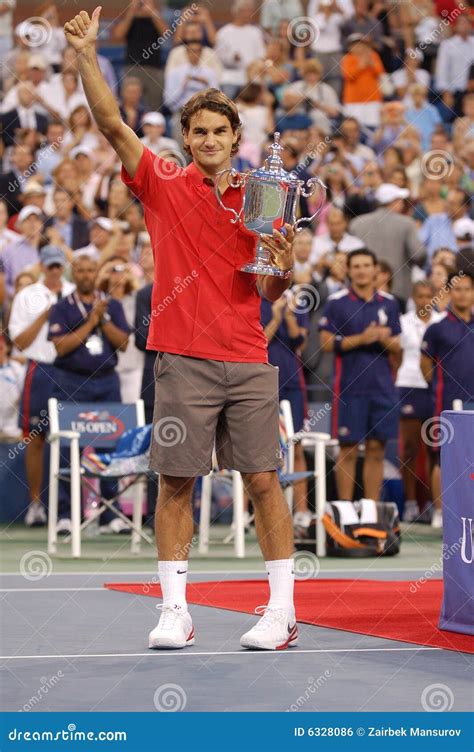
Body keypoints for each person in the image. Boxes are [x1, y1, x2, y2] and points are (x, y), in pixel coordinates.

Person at [65, 7, 299, 651]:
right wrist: (88, 55)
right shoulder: (162, 182)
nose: (208, 140)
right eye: (198, 131)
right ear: (187, 138)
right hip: (181, 357)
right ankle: (177, 610)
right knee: (175, 482)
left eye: (219, 131)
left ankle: (281, 611)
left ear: (234, 136)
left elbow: (271, 282)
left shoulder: (263, 193)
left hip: (248, 354)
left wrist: (283, 264)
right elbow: (112, 124)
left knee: (262, 481)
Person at [47, 254, 131, 534]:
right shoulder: (61, 307)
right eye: (80, 270)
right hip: (71, 382)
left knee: (111, 445)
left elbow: (124, 344)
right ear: (74, 274)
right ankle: (65, 514)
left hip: (107, 381)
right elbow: (61, 347)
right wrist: (90, 321)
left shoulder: (112, 305)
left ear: (97, 273)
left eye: (90, 269)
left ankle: (111, 513)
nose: (85, 274)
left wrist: (102, 318)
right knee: (67, 450)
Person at [319, 249, 401, 502]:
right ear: (349, 270)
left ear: (376, 269)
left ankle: (371, 509)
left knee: (377, 449)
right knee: (348, 449)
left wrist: (384, 339)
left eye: (367, 265)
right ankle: (345, 510)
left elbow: (398, 346)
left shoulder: (389, 302)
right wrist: (362, 339)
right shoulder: (337, 302)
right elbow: (325, 343)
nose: (362, 270)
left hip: (383, 388)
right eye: (357, 266)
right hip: (349, 389)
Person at [8, 245, 75, 526]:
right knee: (35, 438)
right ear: (42, 267)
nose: (55, 271)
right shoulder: (27, 296)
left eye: (59, 266)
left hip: (71, 367)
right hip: (40, 368)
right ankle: (36, 504)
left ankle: (70, 510)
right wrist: (47, 314)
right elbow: (19, 342)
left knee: (73, 438)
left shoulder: (74, 291)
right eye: (51, 266)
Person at [421, 272, 474, 529]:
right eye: (458, 289)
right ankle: (441, 512)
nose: (462, 293)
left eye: (467, 289)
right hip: (449, 403)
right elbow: (425, 365)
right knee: (445, 456)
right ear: (450, 293)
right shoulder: (437, 329)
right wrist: (440, 388)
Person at [261, 289, 311, 528]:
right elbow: (257, 343)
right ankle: (246, 514)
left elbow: (300, 341)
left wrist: (288, 315)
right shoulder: (252, 300)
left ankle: (301, 511)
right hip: (260, 382)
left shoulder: (296, 302)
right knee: (256, 450)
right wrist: (275, 318)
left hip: (292, 384)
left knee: (297, 446)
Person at [395, 281, 442, 522]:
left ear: (434, 297)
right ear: (413, 297)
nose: (424, 300)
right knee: (410, 448)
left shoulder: (442, 322)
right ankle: (411, 503)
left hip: (436, 388)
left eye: (428, 296)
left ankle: (437, 507)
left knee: (437, 448)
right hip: (410, 384)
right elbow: (395, 355)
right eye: (420, 296)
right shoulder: (403, 322)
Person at [350, 183, 425, 302]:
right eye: (400, 200)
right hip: (398, 291)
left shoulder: (357, 224)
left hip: (362, 291)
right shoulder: (406, 223)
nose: (402, 204)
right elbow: (419, 254)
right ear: (393, 201)